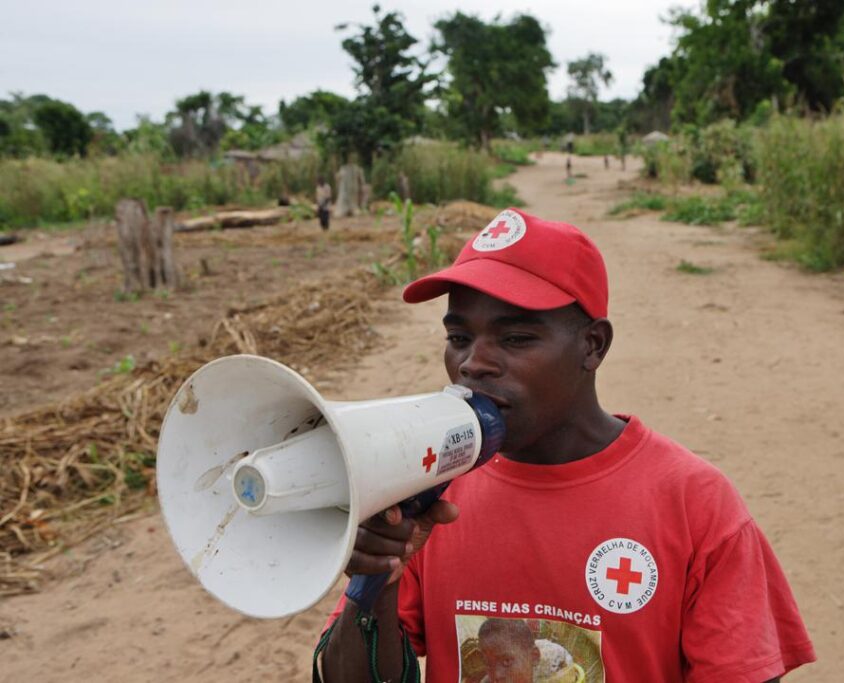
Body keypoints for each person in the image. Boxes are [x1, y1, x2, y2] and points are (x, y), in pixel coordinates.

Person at [317, 208, 816, 682]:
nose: (474, 363)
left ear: (592, 345)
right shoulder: (428, 492)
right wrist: (376, 586)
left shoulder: (694, 504)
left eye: (515, 339)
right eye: (459, 337)